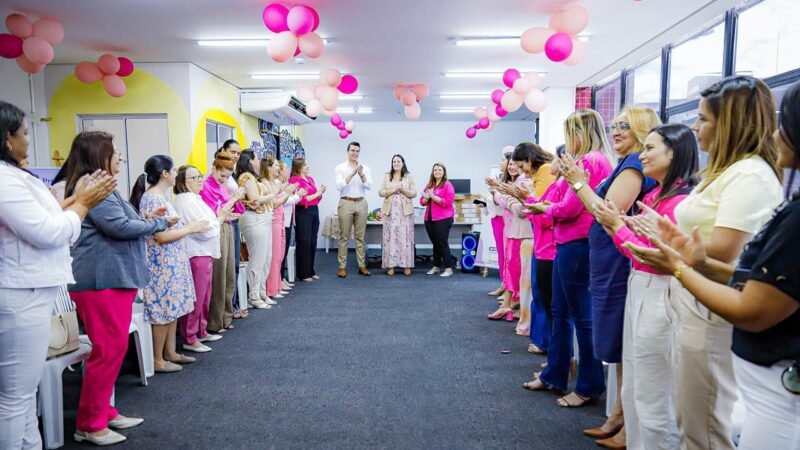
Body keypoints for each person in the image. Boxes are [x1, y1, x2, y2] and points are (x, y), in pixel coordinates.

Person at [624, 80, 800, 450]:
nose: (696, 127)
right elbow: (707, 250)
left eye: (704, 119)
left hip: (711, 305)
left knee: (703, 422)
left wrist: (677, 259)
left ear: (729, 124)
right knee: (691, 416)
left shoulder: (749, 174)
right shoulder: (727, 172)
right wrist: (677, 245)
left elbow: (724, 250)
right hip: (699, 296)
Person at [0, 103, 116, 449]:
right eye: (25, 133)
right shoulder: (5, 182)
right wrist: (83, 204)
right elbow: (48, 232)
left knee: (23, 394)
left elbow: (45, 217)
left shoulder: (14, 178)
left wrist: (78, 200)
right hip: (21, 293)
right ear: (7, 139)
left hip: (30, 290)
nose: (29, 140)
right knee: (15, 397)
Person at [592, 124, 699, 450]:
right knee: (638, 383)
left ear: (674, 153)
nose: (642, 155)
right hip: (641, 285)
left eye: (650, 148)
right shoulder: (655, 196)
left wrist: (616, 226)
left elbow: (652, 257)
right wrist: (620, 227)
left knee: (655, 391)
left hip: (660, 290)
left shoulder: (678, 203)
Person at [558, 106, 660, 442]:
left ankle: (626, 421)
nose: (615, 131)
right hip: (606, 258)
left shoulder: (632, 166)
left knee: (620, 341)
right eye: (614, 125)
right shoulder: (625, 163)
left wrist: (576, 183)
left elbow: (605, 212)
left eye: (624, 126)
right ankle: (619, 413)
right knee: (617, 342)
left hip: (617, 260)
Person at [65, 131, 171, 445]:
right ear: (98, 155)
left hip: (112, 278)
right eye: (114, 151)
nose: (120, 156)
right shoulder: (92, 187)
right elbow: (120, 227)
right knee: (107, 351)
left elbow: (122, 221)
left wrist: (146, 218)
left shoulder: (102, 187)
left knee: (113, 350)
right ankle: (90, 424)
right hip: (102, 280)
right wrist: (158, 224)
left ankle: (104, 411)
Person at [522, 109, 612, 409]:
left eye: (570, 133)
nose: (567, 141)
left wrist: (545, 209)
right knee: (561, 312)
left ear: (580, 134)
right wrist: (546, 206)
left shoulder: (590, 162)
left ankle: (589, 385)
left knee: (582, 318)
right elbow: (560, 201)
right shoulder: (584, 162)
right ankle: (555, 375)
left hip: (578, 243)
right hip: (566, 242)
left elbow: (569, 208)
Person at [130, 155, 210, 372]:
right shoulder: (153, 199)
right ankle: (158, 359)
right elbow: (161, 236)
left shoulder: (160, 197)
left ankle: (170, 352)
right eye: (173, 171)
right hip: (162, 264)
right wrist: (190, 228)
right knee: (163, 311)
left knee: (173, 308)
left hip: (171, 261)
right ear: (164, 174)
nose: (176, 174)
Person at [173, 165, 226, 353]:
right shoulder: (186, 200)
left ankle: (201, 331)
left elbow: (208, 225)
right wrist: (217, 222)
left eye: (199, 176)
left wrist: (215, 223)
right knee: (196, 297)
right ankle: (190, 337)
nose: (199, 180)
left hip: (204, 251)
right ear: (183, 182)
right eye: (194, 177)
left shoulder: (195, 198)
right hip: (196, 253)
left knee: (204, 296)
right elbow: (203, 230)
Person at [200, 152, 245, 334]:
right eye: (222, 175)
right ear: (213, 169)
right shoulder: (206, 187)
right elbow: (215, 214)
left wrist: (234, 201)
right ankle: (214, 321)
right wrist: (233, 199)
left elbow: (233, 208)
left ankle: (226, 316)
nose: (224, 179)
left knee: (229, 274)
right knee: (218, 276)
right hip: (216, 230)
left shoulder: (222, 186)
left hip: (227, 227)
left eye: (227, 177)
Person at [486, 159, 529, 318]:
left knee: (518, 269)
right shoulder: (515, 181)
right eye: (509, 163)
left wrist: (498, 195)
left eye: (515, 163)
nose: (512, 166)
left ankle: (517, 304)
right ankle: (509, 302)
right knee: (511, 266)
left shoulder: (525, 181)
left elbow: (520, 209)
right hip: (511, 229)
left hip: (522, 232)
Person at [236, 151, 276, 309]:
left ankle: (261, 291)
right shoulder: (246, 177)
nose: (259, 161)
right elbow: (255, 200)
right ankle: (253, 295)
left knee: (266, 257)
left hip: (264, 218)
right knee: (257, 258)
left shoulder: (254, 177)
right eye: (256, 158)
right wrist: (273, 194)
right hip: (254, 219)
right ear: (250, 160)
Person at [334, 142, 373, 277]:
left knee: (360, 237)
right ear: (348, 151)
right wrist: (351, 174)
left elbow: (369, 186)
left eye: (357, 151)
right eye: (352, 150)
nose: (355, 153)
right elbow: (339, 186)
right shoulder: (340, 167)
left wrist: (361, 174)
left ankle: (362, 266)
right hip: (346, 202)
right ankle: (342, 266)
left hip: (361, 202)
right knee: (344, 236)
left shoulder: (365, 168)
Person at [217, 140, 246, 315]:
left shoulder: (232, 173)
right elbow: (221, 200)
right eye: (232, 152)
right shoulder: (220, 173)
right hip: (224, 221)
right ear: (223, 150)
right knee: (227, 268)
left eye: (238, 153)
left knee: (233, 265)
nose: (236, 156)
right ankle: (229, 308)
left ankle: (233, 306)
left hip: (233, 219)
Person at [260, 157, 294, 298]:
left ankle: (277, 286)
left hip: (280, 219)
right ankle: (271, 289)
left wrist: (285, 192)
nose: (279, 168)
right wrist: (287, 193)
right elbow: (274, 203)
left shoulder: (275, 183)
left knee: (279, 255)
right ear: (268, 167)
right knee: (274, 257)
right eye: (275, 165)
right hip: (273, 220)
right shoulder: (265, 183)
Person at [378, 154, 417, 276]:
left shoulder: (409, 176)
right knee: (390, 238)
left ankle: (406, 265)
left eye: (398, 161)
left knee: (405, 237)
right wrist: (393, 190)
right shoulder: (387, 176)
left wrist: (402, 190)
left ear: (403, 163)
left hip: (405, 213)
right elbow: (380, 192)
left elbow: (414, 193)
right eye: (394, 162)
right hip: (390, 212)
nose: (396, 164)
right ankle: (390, 265)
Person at [289, 158, 326, 282]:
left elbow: (315, 197)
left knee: (312, 241)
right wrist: (318, 193)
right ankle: (303, 273)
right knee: (304, 241)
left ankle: (310, 270)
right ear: (298, 167)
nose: (308, 167)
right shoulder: (294, 180)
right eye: (305, 165)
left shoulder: (310, 179)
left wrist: (320, 193)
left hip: (314, 210)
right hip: (303, 212)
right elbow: (301, 200)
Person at [421, 162, 456, 277]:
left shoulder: (447, 185)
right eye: (435, 170)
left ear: (444, 172)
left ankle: (448, 268)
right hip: (429, 218)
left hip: (443, 218)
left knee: (442, 243)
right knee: (435, 243)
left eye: (439, 170)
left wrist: (433, 196)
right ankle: (436, 267)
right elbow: (422, 201)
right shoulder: (430, 184)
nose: (437, 171)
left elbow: (447, 202)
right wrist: (427, 198)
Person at [279, 160, 304, 289]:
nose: (287, 170)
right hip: (282, 221)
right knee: (280, 253)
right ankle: (279, 279)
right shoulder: (279, 185)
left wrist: (298, 196)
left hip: (288, 220)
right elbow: (284, 201)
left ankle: (281, 278)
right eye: (285, 169)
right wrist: (297, 195)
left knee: (284, 252)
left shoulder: (285, 184)